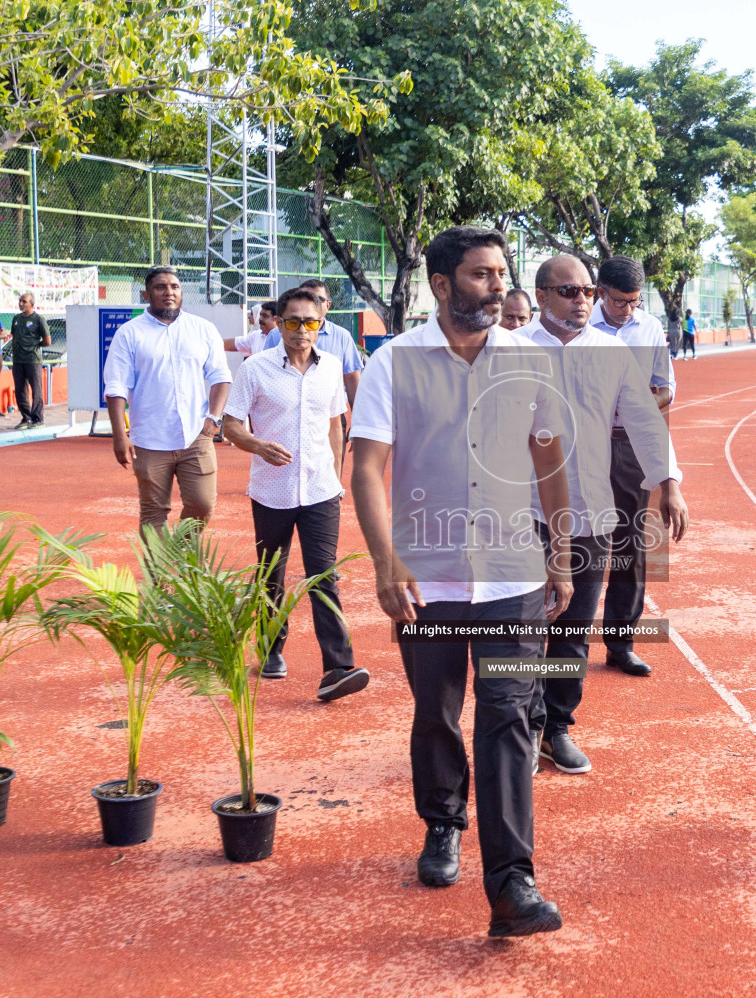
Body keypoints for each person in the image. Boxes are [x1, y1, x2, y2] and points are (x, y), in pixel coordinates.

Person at [350, 225, 574, 938]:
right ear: (442, 285)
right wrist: (386, 562)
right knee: (437, 711)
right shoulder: (393, 363)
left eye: (502, 273)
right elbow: (366, 468)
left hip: (511, 574)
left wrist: (561, 553)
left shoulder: (533, 362)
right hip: (430, 579)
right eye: (481, 274)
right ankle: (443, 822)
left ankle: (512, 883)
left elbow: (550, 462)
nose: (497, 286)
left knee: (508, 716)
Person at [519, 255, 688, 775]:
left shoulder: (612, 353)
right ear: (542, 295)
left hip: (591, 512)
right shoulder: (509, 350)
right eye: (569, 291)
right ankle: (520, 729)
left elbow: (643, 419)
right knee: (520, 632)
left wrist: (670, 485)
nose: (582, 300)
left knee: (572, 628)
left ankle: (557, 728)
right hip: (522, 514)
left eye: (588, 291)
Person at [223, 286, 369, 702]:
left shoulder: (332, 367)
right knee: (272, 574)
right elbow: (231, 426)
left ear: (321, 325)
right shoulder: (256, 369)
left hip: (322, 488)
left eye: (309, 322)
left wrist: (338, 480)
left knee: (323, 575)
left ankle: (338, 667)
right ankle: (271, 650)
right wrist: (258, 446)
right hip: (271, 491)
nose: (300, 330)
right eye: (292, 322)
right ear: (279, 323)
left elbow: (335, 426)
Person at [590, 255, 675, 678]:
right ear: (600, 292)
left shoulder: (650, 327)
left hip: (628, 445)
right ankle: (550, 639)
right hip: (583, 442)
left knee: (629, 544)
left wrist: (636, 405)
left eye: (635, 302)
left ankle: (621, 644)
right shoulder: (580, 323)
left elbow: (666, 388)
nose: (629, 310)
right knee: (572, 537)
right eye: (621, 301)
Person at [102, 267, 232, 530]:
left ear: (181, 292)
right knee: (153, 513)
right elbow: (116, 387)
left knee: (203, 504)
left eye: (174, 286)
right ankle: (159, 572)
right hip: (149, 439)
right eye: (161, 287)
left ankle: (179, 557)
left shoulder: (203, 329)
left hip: (196, 435)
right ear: (147, 294)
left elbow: (220, 376)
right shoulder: (129, 333)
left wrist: (214, 418)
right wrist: (119, 435)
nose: (169, 292)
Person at [297, 279, 364, 408]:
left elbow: (351, 378)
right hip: (289, 414)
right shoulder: (278, 335)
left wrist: (358, 419)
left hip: (332, 412)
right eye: (306, 298)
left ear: (328, 305)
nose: (311, 303)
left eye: (318, 299)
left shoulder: (342, 337)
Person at [9, 292, 51, 429]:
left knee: (36, 389)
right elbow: (14, 336)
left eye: (24, 301)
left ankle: (38, 419)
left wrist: (35, 346)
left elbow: (47, 341)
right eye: (20, 301)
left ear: (32, 304)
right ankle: (25, 418)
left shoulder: (39, 319)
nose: (21, 303)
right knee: (20, 390)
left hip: (33, 360)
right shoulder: (16, 318)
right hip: (18, 360)